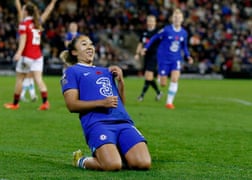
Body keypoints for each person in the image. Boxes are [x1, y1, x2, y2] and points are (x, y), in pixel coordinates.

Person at [60, 35, 151, 171]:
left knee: (143, 163)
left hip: (123, 122)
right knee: (112, 165)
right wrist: (101, 103)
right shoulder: (72, 71)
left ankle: (118, 155)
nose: (90, 47)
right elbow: (71, 105)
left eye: (91, 44)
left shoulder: (106, 71)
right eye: (84, 44)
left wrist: (120, 82)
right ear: (74, 52)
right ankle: (81, 160)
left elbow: (120, 104)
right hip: (97, 124)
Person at [4, 0, 57, 110]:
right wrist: (52, 2)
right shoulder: (38, 23)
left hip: (27, 56)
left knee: (19, 79)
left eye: (23, 9)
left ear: (26, 12)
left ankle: (15, 104)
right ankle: (45, 103)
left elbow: (23, 41)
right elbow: (47, 12)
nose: (22, 11)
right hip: (38, 56)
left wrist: (18, 53)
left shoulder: (24, 24)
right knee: (39, 79)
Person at [143, 9, 193, 109]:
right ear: (172, 19)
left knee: (175, 79)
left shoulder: (184, 33)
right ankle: (160, 77)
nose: (177, 19)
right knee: (163, 84)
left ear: (182, 19)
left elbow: (184, 46)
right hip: (164, 59)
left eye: (179, 17)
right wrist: (146, 47)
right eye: (175, 17)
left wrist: (188, 56)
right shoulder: (166, 30)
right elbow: (154, 38)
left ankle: (169, 103)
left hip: (176, 59)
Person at [134, 15, 162, 102]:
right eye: (149, 21)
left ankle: (141, 96)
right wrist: (137, 53)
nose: (150, 22)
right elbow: (140, 44)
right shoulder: (144, 33)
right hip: (146, 56)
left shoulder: (158, 33)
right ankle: (158, 92)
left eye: (152, 21)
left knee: (148, 75)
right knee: (148, 77)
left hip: (154, 56)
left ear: (155, 22)